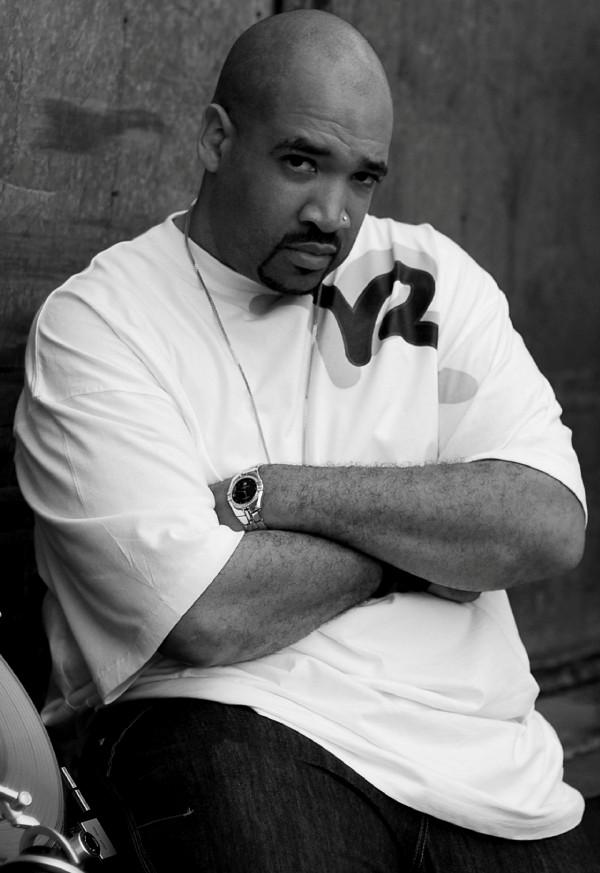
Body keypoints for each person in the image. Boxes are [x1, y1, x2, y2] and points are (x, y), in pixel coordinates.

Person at [13, 9, 599, 872]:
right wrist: (425, 553)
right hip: (236, 727)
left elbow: (547, 523)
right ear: (216, 139)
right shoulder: (104, 323)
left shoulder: (432, 279)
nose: (333, 212)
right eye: (300, 162)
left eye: (363, 178)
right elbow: (206, 612)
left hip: (491, 767)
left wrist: (281, 495)